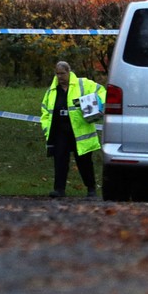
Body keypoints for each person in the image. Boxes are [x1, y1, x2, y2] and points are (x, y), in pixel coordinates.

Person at [40, 60, 105, 198]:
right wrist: (46, 128)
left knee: (84, 162)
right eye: (57, 74)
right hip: (59, 131)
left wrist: (97, 107)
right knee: (60, 161)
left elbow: (102, 91)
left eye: (62, 73)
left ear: (69, 72)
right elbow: (45, 111)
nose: (60, 77)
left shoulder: (83, 84)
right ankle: (59, 190)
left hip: (79, 131)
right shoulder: (52, 90)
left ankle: (91, 189)